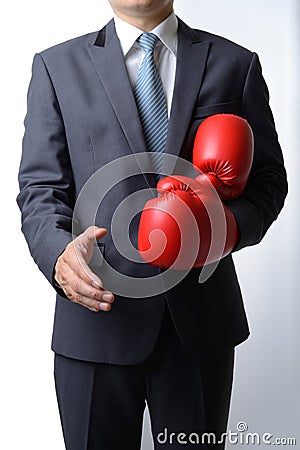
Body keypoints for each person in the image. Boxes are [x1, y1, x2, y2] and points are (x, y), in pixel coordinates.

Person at [17, 1, 288, 449]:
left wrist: (227, 230)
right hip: (95, 319)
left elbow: (268, 182)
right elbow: (40, 188)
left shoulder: (236, 64)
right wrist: (59, 255)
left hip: (200, 325)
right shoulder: (55, 66)